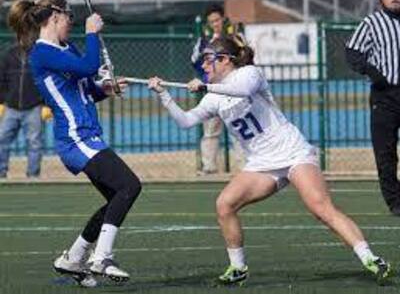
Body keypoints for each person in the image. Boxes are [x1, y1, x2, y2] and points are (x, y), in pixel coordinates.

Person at [149, 37, 391, 285]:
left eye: (208, 62)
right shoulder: (213, 97)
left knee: (321, 209)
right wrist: (164, 95)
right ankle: (238, 267)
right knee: (224, 205)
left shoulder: (250, 74)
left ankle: (371, 259)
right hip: (262, 165)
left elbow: (241, 91)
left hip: (293, 153)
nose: (204, 68)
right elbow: (186, 121)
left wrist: (204, 87)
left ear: (224, 60)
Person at [8, 0, 142, 286]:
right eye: (70, 17)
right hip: (75, 138)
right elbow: (88, 67)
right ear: (55, 16)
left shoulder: (66, 48)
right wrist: (92, 32)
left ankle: (73, 258)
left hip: (87, 135)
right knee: (130, 185)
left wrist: (105, 88)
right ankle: (101, 258)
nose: (72, 22)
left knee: (116, 197)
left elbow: (85, 87)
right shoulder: (42, 52)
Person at [346, 0, 400, 216]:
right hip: (385, 96)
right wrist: (373, 72)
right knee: (385, 152)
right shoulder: (371, 22)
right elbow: (353, 52)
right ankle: (395, 202)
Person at [191, 4, 245, 175]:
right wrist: (205, 76)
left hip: (233, 89)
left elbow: (245, 56)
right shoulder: (205, 40)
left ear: (223, 19)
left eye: (217, 20)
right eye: (211, 22)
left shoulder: (234, 36)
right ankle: (209, 166)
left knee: (238, 130)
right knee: (210, 131)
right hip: (214, 90)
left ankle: (245, 167)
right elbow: (194, 60)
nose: (215, 24)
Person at [0, 43, 50, 178]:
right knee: (2, 139)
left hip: (34, 107)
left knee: (35, 143)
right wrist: (1, 101)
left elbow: (47, 81)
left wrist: (46, 105)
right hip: (11, 107)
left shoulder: (40, 55)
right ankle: (1, 173)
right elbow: (2, 79)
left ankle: (33, 176)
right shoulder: (9, 54)